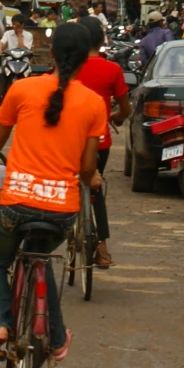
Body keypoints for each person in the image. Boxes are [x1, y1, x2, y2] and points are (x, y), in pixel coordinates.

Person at [0, 24, 104, 361]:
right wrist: (91, 178)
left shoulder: (23, 89)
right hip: (62, 211)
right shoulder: (94, 103)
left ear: (50, 54)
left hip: (16, 205)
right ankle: (55, 339)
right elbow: (87, 167)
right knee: (39, 257)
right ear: (87, 59)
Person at [68, 27, 128, 269]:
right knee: (95, 189)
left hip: (71, 140)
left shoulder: (68, 68)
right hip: (99, 142)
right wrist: (115, 116)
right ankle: (102, 249)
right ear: (102, 41)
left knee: (68, 187)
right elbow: (126, 109)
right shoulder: (112, 69)